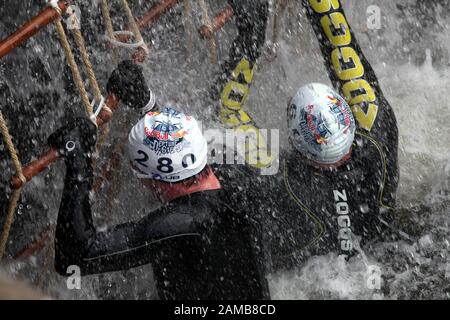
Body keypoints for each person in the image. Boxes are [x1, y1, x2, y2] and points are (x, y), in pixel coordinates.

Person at [244, 0, 400, 273]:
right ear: (348, 118)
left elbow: (225, 117)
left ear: (296, 144)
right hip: (378, 258)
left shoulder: (283, 185)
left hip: (320, 276)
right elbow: (341, 44)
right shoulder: (379, 138)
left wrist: (250, 38)